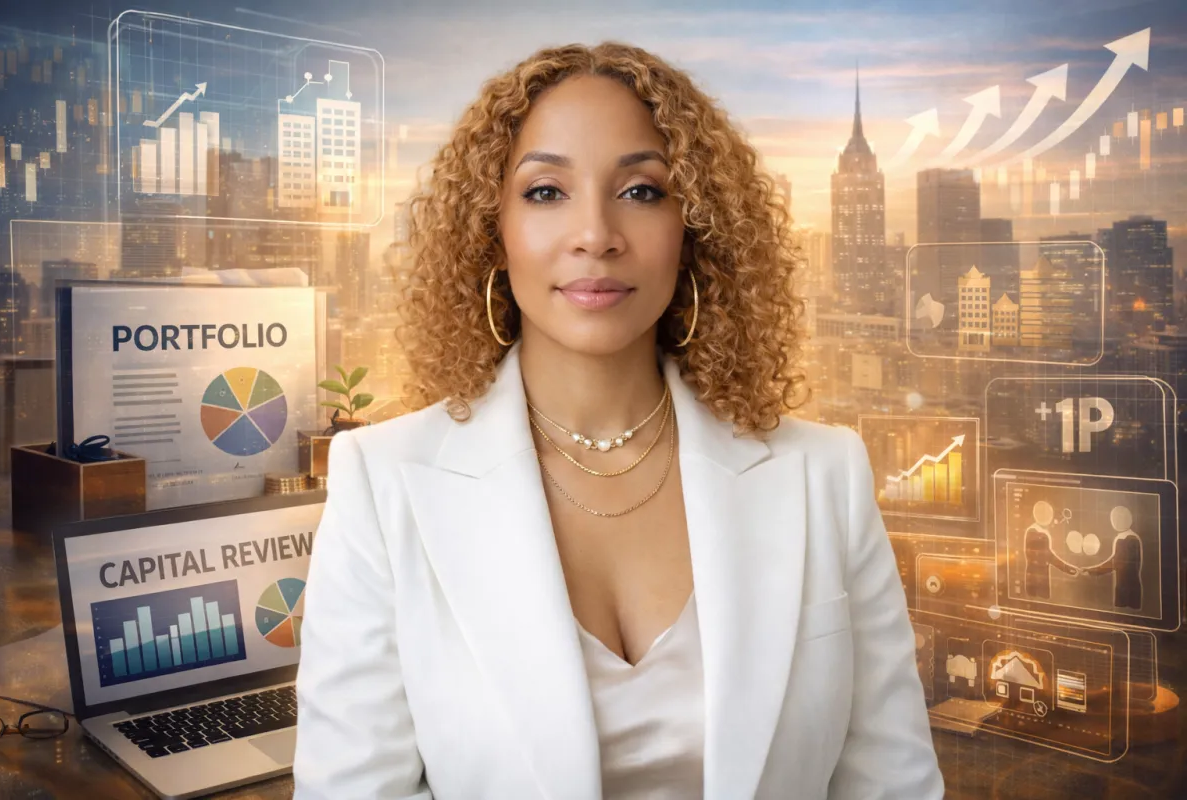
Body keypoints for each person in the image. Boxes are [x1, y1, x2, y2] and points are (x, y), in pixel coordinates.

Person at [293, 42, 942, 800]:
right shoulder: (385, 482)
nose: (596, 233)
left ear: (694, 228)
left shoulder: (825, 474)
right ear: (489, 229)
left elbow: (891, 785)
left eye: (640, 191)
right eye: (545, 192)